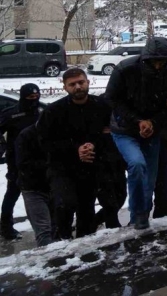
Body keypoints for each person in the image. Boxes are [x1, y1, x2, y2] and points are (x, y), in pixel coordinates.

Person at [105, 37, 167, 230]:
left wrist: (154, 121)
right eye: (154, 62)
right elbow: (112, 99)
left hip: (152, 130)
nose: (158, 66)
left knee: (149, 177)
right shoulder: (126, 69)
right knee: (137, 164)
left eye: (162, 62)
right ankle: (138, 213)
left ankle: (141, 217)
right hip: (125, 129)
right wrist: (138, 121)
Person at [37, 68, 111, 240]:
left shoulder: (101, 106)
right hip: (62, 167)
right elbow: (45, 142)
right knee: (64, 206)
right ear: (65, 87)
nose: (78, 87)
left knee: (87, 209)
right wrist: (75, 149)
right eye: (72, 84)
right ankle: (62, 241)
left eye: (81, 82)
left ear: (88, 82)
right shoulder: (53, 111)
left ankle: (85, 244)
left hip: (91, 166)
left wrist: (94, 146)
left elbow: (109, 134)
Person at [0, 83, 42, 240]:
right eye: (31, 97)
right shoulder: (11, 114)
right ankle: (6, 227)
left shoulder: (41, 112)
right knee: (13, 192)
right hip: (16, 161)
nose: (34, 100)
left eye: (37, 97)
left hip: (39, 160)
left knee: (42, 193)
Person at [15, 124, 54, 247]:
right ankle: (50, 256)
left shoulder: (58, 132)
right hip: (33, 188)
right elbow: (23, 163)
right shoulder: (26, 135)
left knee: (56, 228)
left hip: (54, 185)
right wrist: (51, 165)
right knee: (44, 231)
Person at [93, 128, 127, 229]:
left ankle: (94, 221)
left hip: (116, 142)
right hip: (99, 149)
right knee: (108, 200)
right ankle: (111, 226)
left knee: (120, 196)